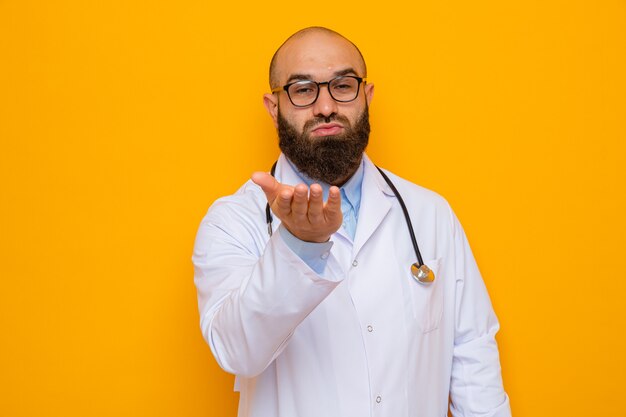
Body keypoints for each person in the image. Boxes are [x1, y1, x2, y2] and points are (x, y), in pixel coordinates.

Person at [193, 26, 512, 417]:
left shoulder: (430, 213)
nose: (326, 106)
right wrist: (298, 246)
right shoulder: (232, 221)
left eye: (343, 85)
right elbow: (236, 351)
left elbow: (473, 358)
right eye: (303, 89)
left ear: (367, 96)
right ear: (274, 107)